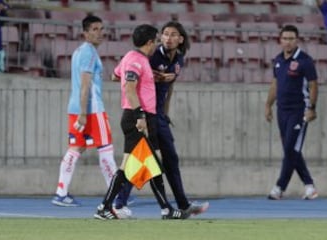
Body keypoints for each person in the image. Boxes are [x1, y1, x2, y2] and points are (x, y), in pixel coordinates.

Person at [113, 21, 209, 217]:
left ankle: (176, 206)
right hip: (145, 113)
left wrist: (165, 112)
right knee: (145, 159)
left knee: (160, 159)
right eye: (165, 34)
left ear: (181, 39)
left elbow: (170, 87)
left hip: (158, 115)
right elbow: (128, 77)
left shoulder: (179, 59)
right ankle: (122, 204)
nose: (167, 38)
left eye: (173, 34)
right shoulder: (150, 55)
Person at [94, 24, 188, 220]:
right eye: (156, 40)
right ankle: (105, 207)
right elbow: (129, 88)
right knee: (138, 165)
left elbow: (115, 75)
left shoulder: (132, 58)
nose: (158, 44)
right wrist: (140, 116)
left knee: (151, 164)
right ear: (149, 42)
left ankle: (165, 209)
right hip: (139, 117)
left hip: (143, 116)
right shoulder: (138, 60)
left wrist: (149, 77)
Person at [51, 15, 119, 207]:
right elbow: (85, 85)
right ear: (85, 33)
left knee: (76, 148)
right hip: (91, 110)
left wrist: (79, 113)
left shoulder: (79, 51)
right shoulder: (88, 52)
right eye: (95, 29)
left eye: (101, 28)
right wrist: (83, 113)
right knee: (105, 148)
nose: (100, 33)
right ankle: (116, 195)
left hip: (76, 109)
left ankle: (61, 193)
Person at [265, 25, 319, 200]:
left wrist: (311, 108)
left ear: (297, 40)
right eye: (285, 38)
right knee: (292, 151)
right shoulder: (278, 60)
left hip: (299, 111)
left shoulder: (305, 61)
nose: (288, 42)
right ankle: (310, 186)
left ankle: (279, 187)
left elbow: (313, 85)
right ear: (280, 40)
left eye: (291, 39)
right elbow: (275, 84)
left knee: (290, 149)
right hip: (282, 111)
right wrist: (268, 105)